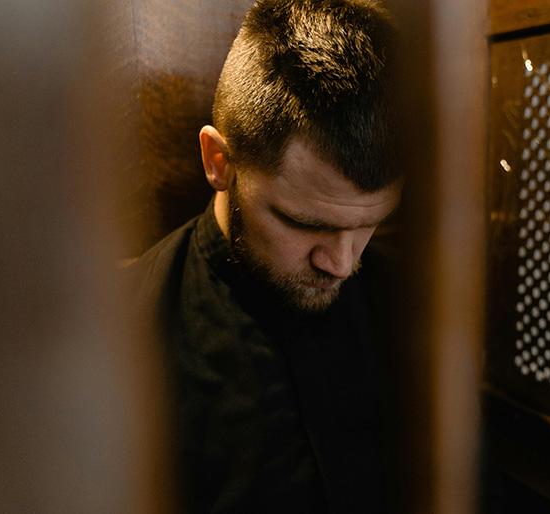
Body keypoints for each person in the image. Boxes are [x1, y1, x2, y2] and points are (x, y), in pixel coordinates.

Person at [127, 0, 403, 511]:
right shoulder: (124, 339)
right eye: (304, 223)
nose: (342, 263)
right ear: (218, 161)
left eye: (370, 224)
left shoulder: (414, 312)